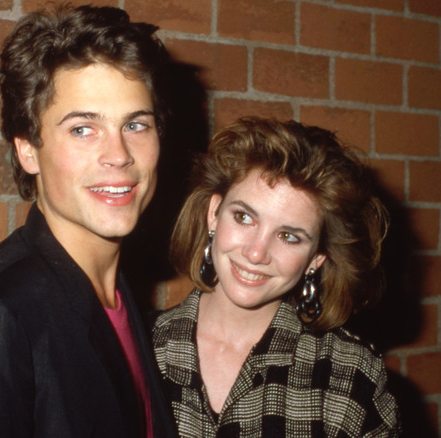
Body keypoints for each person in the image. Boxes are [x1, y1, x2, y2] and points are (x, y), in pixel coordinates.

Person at [0, 5, 178, 437]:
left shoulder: (119, 296)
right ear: (28, 149)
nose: (119, 154)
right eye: (82, 129)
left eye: (136, 125)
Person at [153, 117, 401, 437]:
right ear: (214, 213)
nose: (256, 253)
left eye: (289, 236)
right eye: (243, 217)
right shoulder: (138, 347)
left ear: (316, 258)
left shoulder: (352, 374)